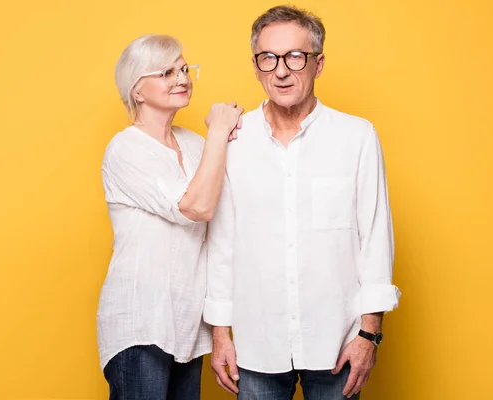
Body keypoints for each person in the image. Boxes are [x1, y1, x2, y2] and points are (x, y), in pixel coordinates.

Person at [204, 5, 401, 400]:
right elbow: (222, 244)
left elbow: (375, 238)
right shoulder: (234, 142)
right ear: (256, 66)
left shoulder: (356, 137)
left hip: (337, 341)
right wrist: (220, 335)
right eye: (268, 58)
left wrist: (369, 334)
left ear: (318, 63)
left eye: (295, 56)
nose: (281, 70)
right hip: (256, 343)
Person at [97, 33, 243, 400]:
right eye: (166, 72)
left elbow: (226, 214)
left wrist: (223, 137)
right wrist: (220, 132)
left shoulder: (196, 144)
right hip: (140, 322)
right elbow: (195, 207)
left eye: (183, 69)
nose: (181, 78)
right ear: (137, 90)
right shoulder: (126, 148)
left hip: (186, 327)